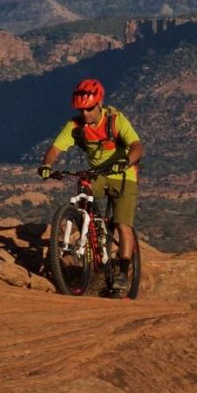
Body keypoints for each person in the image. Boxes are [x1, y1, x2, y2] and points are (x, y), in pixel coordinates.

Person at [38, 77, 144, 271]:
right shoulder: (75, 125)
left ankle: (123, 271)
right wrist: (47, 165)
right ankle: (91, 227)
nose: (85, 113)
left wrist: (126, 162)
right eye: (81, 110)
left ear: (100, 103)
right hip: (98, 174)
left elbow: (137, 146)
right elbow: (55, 149)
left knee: (122, 224)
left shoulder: (115, 119)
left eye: (89, 109)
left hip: (124, 175)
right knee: (83, 188)